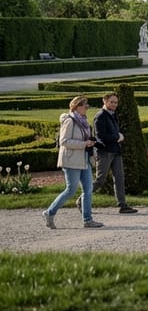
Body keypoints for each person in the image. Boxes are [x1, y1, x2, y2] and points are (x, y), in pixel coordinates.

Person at [42, 96, 103, 229]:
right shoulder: (69, 121)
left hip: (84, 159)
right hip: (71, 160)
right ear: (76, 107)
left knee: (88, 189)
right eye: (85, 105)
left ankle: (88, 219)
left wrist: (90, 142)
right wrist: (83, 144)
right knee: (71, 190)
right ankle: (49, 212)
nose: (87, 108)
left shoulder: (83, 121)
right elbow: (64, 141)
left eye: (87, 105)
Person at [92, 92, 136, 214]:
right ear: (104, 101)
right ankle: (82, 200)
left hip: (115, 151)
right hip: (104, 151)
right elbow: (100, 136)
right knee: (100, 180)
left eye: (116, 102)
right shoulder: (100, 116)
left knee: (120, 178)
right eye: (112, 102)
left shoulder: (112, 115)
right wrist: (117, 137)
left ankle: (122, 205)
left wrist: (117, 138)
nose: (114, 104)